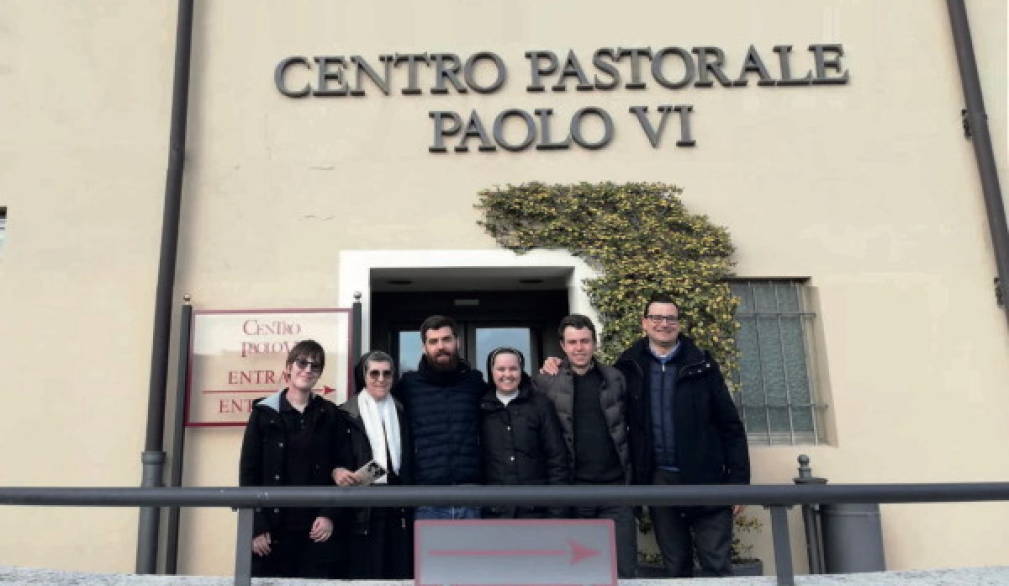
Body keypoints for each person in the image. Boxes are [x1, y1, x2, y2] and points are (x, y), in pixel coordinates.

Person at [616, 295, 749, 577]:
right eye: (657, 318)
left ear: (678, 323)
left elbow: (730, 426)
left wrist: (738, 482)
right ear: (644, 323)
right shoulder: (628, 366)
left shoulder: (702, 364)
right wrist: (554, 367)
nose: (664, 324)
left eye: (670, 318)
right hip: (660, 482)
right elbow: (593, 386)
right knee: (676, 568)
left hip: (708, 480)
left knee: (717, 566)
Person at [534, 314, 637, 578]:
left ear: (594, 343)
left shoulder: (615, 378)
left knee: (623, 570)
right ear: (563, 346)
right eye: (573, 342)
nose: (579, 348)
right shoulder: (547, 382)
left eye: (585, 341)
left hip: (616, 490)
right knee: (581, 572)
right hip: (575, 491)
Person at [238, 340, 347, 579]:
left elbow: (342, 464)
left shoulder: (330, 414)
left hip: (315, 531)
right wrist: (256, 526)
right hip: (272, 532)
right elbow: (248, 473)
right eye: (302, 362)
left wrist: (329, 514)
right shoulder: (262, 414)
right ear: (289, 367)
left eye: (315, 366)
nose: (308, 369)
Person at [394, 315, 485, 519]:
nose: (440, 346)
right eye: (433, 341)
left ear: (457, 342)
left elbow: (508, 396)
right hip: (426, 496)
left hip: (471, 493)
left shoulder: (475, 383)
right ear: (424, 347)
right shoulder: (408, 386)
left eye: (446, 339)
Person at [333, 350, 413, 579]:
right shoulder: (345, 413)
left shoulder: (403, 411)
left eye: (387, 373)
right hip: (362, 507)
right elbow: (335, 458)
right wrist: (337, 470)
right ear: (364, 376)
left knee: (399, 573)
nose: (381, 379)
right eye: (374, 373)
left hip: (399, 505)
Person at [479, 347, 570, 518]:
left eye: (513, 368)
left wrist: (557, 511)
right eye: (501, 369)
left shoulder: (541, 405)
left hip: (536, 510)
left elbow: (557, 459)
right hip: (495, 512)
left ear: (521, 370)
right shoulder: (481, 408)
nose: (508, 374)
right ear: (491, 372)